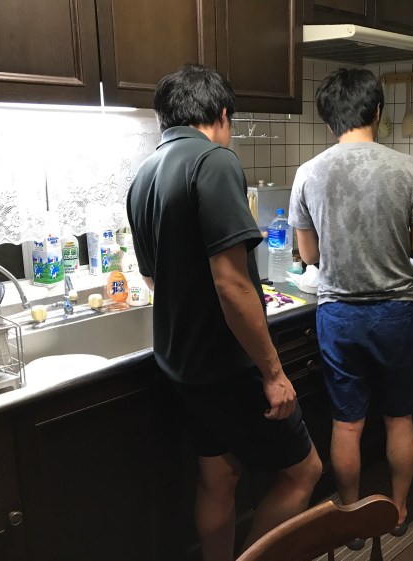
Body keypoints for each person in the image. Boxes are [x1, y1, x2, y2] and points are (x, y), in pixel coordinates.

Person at [126, 64, 321, 561]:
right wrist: (273, 372)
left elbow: (153, 279)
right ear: (223, 114)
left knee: (218, 479)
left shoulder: (143, 176)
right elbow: (232, 282)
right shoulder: (214, 160)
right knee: (305, 472)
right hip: (226, 365)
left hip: (182, 365)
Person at [288, 67, 413, 546]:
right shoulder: (409, 169)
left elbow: (308, 254)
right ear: (377, 110)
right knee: (399, 418)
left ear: (328, 118)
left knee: (347, 424)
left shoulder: (308, 173)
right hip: (395, 312)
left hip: (339, 316)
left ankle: (351, 518)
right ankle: (398, 510)